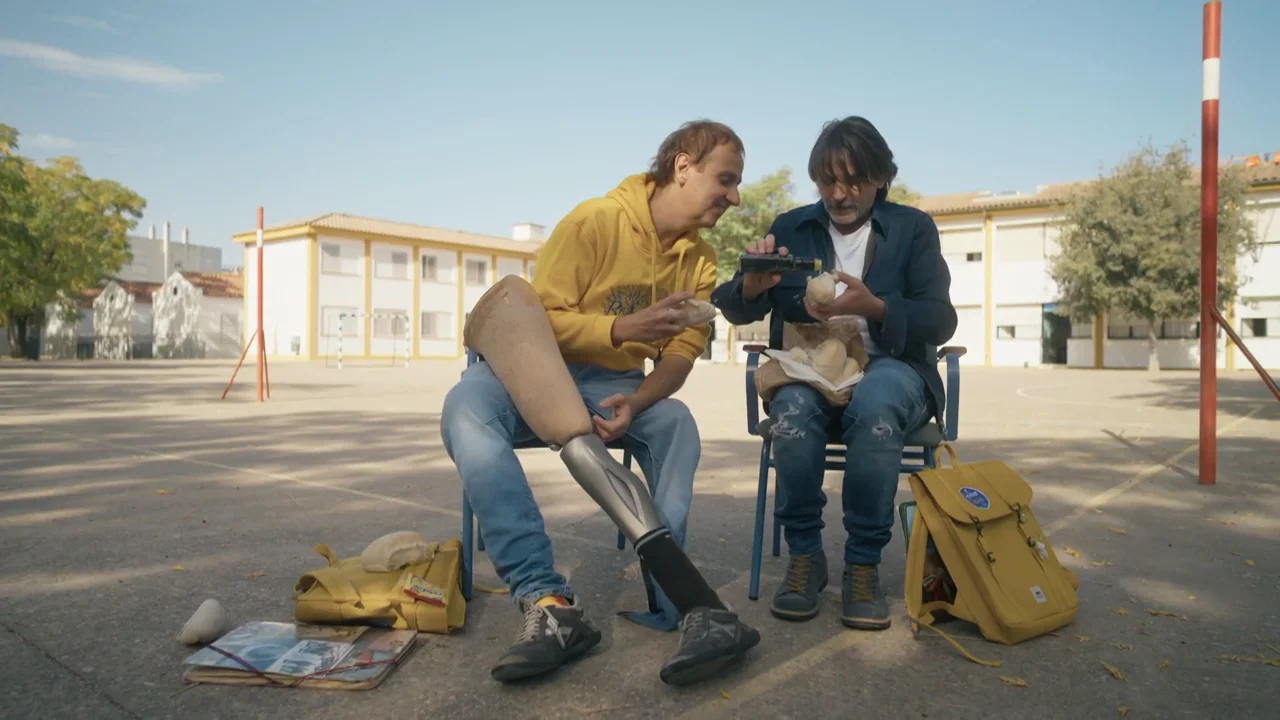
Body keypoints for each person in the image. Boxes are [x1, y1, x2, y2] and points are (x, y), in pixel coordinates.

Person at [440, 119, 761, 684]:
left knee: (676, 424)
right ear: (683, 167)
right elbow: (535, 322)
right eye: (726, 180)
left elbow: (681, 357)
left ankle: (682, 602)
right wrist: (622, 327)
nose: (734, 197)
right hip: (530, 370)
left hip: (612, 384)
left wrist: (638, 401)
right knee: (466, 409)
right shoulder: (594, 220)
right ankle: (546, 604)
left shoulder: (702, 259)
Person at [711, 116, 957, 631]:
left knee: (878, 404)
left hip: (893, 367)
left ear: (880, 178)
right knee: (793, 412)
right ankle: (806, 557)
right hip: (812, 366)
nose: (840, 194)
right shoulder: (792, 225)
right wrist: (753, 286)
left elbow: (941, 317)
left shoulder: (912, 229)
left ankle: (863, 564)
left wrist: (879, 308)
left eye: (854, 181)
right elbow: (734, 306)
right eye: (828, 182)